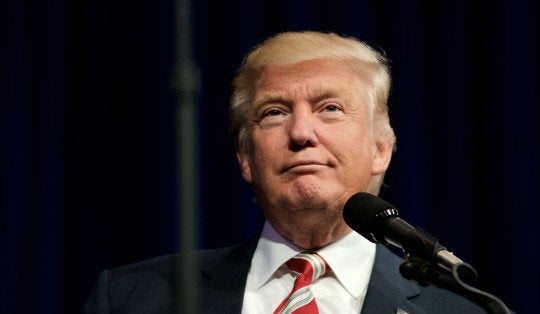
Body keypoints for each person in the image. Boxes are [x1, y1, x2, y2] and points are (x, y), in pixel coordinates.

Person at [83, 30, 496, 313]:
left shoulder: (461, 308)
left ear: (380, 150)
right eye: (275, 112)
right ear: (245, 157)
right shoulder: (131, 299)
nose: (300, 133)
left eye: (330, 108)